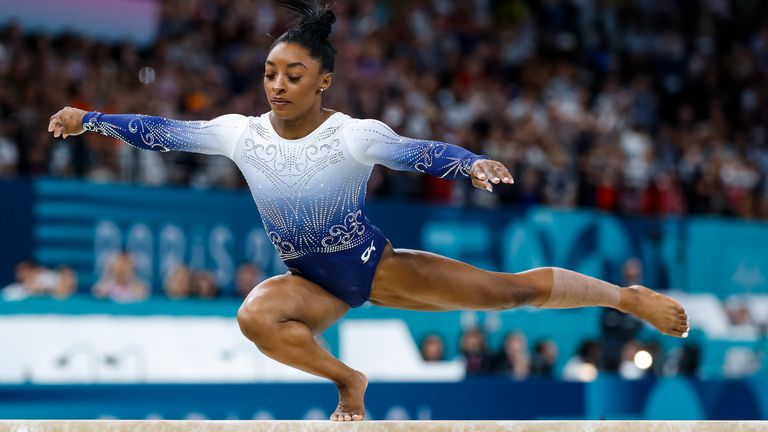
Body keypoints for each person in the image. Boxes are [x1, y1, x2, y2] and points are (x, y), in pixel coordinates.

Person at [48, 0, 689, 421]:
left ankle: (623, 297)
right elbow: (164, 131)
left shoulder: (353, 134)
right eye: (270, 72)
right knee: (255, 317)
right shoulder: (240, 133)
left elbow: (419, 152)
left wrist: (469, 163)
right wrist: (92, 119)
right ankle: (348, 381)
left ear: (322, 81)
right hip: (309, 283)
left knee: (508, 293)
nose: (277, 84)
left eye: (293, 75)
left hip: (372, 266)